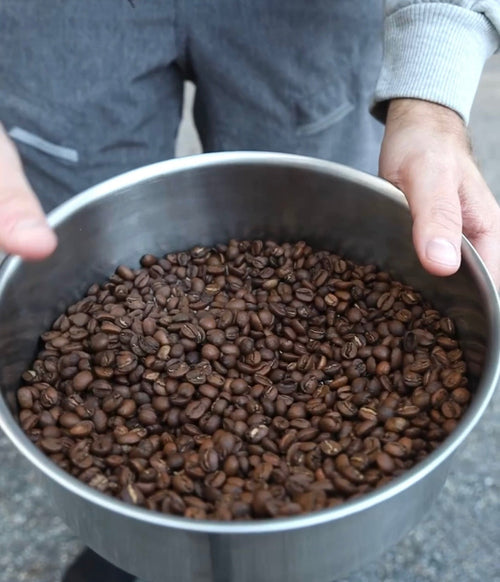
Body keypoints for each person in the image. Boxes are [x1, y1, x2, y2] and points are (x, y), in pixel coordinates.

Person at [0, 1, 499, 581]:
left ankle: (292, 550)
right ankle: (134, 542)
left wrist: (432, 95)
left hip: (305, 20)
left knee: (307, 188)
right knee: (65, 231)